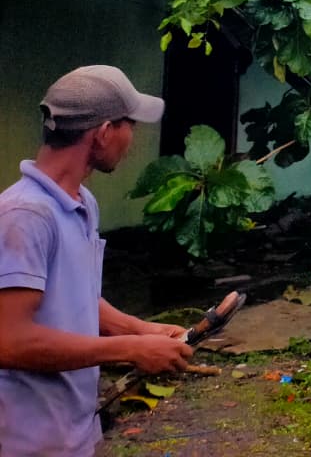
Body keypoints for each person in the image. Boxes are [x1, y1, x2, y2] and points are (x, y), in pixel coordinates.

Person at [0, 66, 195, 457]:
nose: (133, 140)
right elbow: (9, 341)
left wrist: (142, 331)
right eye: (129, 125)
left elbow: (77, 297)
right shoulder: (25, 216)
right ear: (104, 133)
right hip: (25, 439)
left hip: (72, 429)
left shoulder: (81, 203)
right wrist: (128, 349)